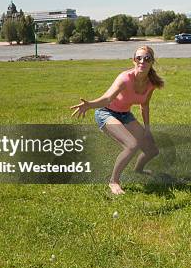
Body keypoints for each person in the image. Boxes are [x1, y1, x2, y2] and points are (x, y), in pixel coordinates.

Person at [70, 46, 164, 195]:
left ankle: (138, 170)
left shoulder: (150, 84)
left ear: (152, 62)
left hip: (125, 115)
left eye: (147, 58)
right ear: (133, 60)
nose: (142, 61)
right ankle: (114, 181)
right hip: (106, 113)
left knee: (152, 150)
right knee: (132, 145)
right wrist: (90, 105)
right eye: (138, 58)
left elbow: (144, 105)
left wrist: (147, 129)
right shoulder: (125, 78)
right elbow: (107, 98)